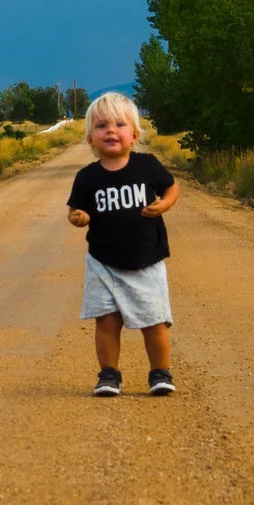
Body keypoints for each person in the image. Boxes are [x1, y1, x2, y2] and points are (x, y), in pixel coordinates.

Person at [66, 91, 181, 397]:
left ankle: (160, 372)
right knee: (106, 321)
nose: (111, 130)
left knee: (154, 320)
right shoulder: (87, 177)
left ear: (134, 134)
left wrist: (165, 204)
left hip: (147, 260)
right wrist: (79, 217)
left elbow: (171, 188)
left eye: (120, 124)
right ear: (91, 137)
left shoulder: (147, 166)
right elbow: (76, 210)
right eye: (102, 125)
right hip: (103, 261)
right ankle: (109, 375)